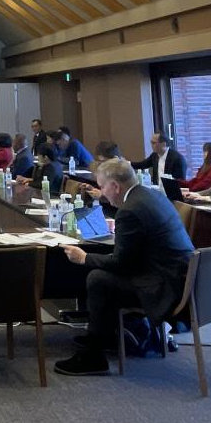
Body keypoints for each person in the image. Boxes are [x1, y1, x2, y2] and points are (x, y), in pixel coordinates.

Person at [54, 159, 194, 376]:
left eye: (102, 187)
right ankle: (106, 335)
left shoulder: (130, 211)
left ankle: (93, 355)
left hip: (164, 288)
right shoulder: (151, 195)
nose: (102, 192)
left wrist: (84, 258)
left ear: (115, 186)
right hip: (180, 277)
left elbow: (121, 263)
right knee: (103, 275)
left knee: (98, 279)